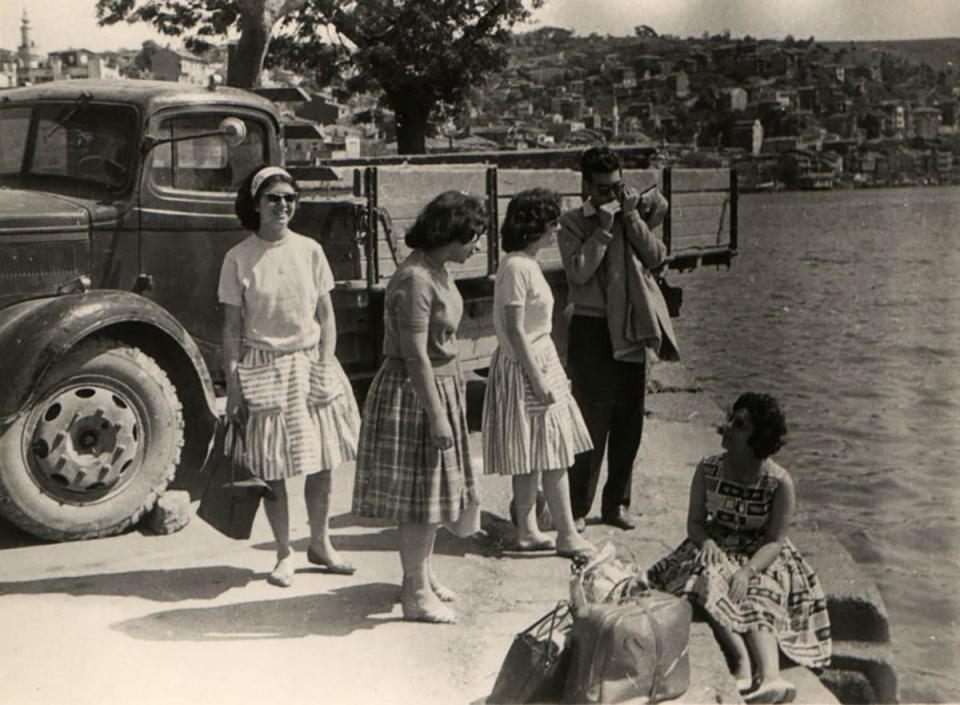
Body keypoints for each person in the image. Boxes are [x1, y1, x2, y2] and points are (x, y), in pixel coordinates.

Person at [219, 165, 361, 588]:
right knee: (273, 467)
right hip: (263, 367)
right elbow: (230, 328)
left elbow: (327, 317)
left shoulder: (311, 250)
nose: (282, 206)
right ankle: (284, 552)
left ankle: (320, 543)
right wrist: (234, 384)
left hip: (311, 364)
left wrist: (323, 364)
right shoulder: (239, 258)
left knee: (323, 461)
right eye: (273, 198)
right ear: (256, 205)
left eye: (289, 198)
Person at [647, 393, 832, 704]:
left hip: (761, 552)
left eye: (740, 424)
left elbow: (775, 541)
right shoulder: (708, 469)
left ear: (759, 436)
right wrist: (706, 543)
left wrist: (747, 571)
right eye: (730, 418)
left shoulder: (779, 482)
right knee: (705, 581)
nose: (727, 427)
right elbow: (694, 522)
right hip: (717, 542)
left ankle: (771, 677)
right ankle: (742, 662)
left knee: (760, 592)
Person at [352, 190, 482, 624]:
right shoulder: (415, 279)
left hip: (439, 388)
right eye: (472, 237)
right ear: (450, 236)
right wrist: (437, 415)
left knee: (435, 497)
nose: (477, 246)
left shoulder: (437, 270)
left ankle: (423, 575)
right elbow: (415, 354)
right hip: (415, 394)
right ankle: (415, 593)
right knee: (419, 500)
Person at [558, 145, 678, 532]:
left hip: (629, 326)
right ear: (585, 188)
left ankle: (617, 504)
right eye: (603, 189)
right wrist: (605, 229)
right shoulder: (572, 223)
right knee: (590, 423)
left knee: (628, 423)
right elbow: (578, 273)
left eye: (618, 186)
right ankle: (578, 508)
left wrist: (630, 221)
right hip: (592, 330)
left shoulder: (630, 216)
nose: (611, 195)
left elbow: (657, 255)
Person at [482, 188, 595, 559]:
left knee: (535, 451)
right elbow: (515, 329)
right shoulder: (517, 266)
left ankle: (528, 530)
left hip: (536, 360)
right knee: (554, 452)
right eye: (551, 223)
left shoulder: (523, 263)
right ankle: (565, 534)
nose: (555, 230)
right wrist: (538, 378)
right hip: (528, 365)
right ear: (533, 227)